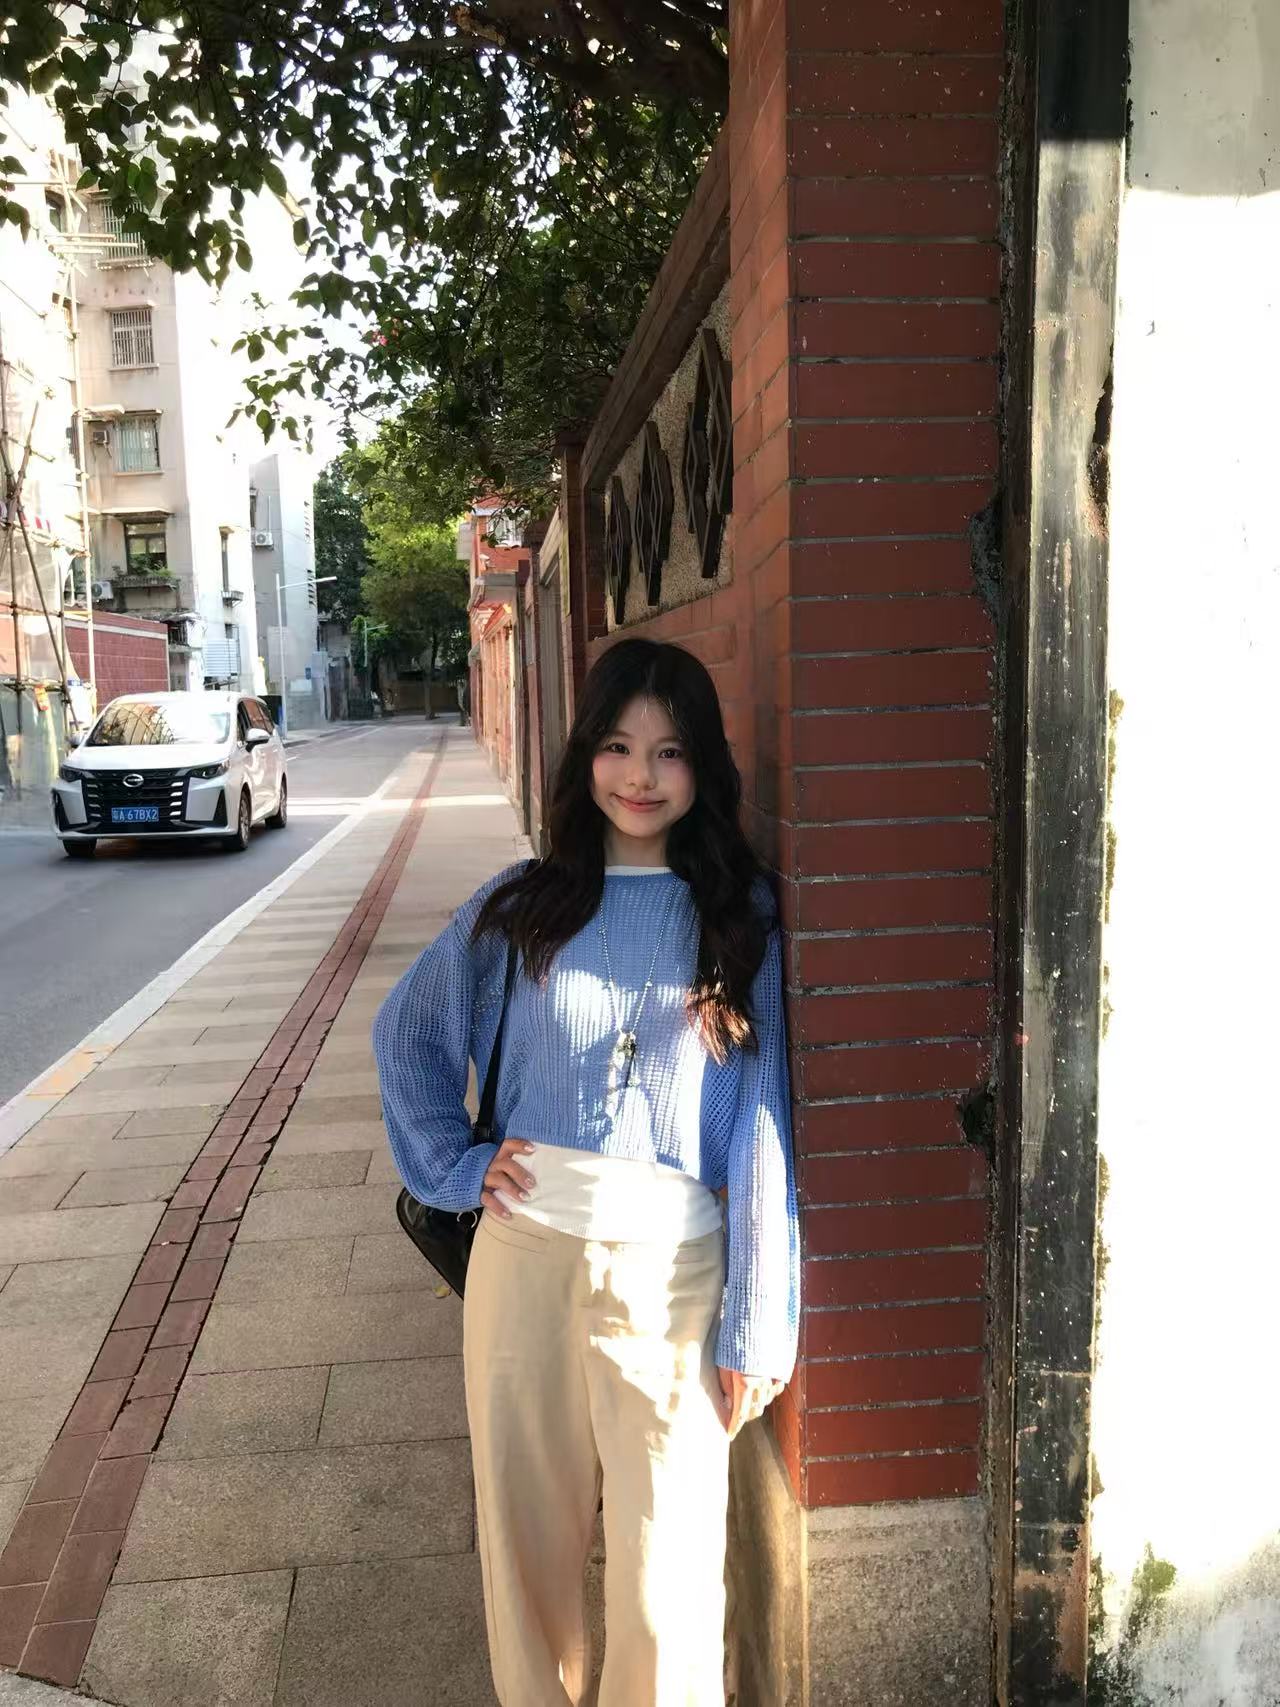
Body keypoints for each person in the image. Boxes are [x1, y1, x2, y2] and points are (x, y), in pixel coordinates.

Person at [373, 638, 798, 1706]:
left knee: (668, 1582)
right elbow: (407, 1032)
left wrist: (758, 1317)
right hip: (526, 1261)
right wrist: (457, 1164)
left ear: (702, 766)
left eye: (669, 751)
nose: (640, 776)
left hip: (675, 1278)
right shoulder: (523, 907)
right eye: (617, 745)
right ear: (584, 757)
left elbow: (762, 1120)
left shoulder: (738, 915)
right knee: (526, 1556)